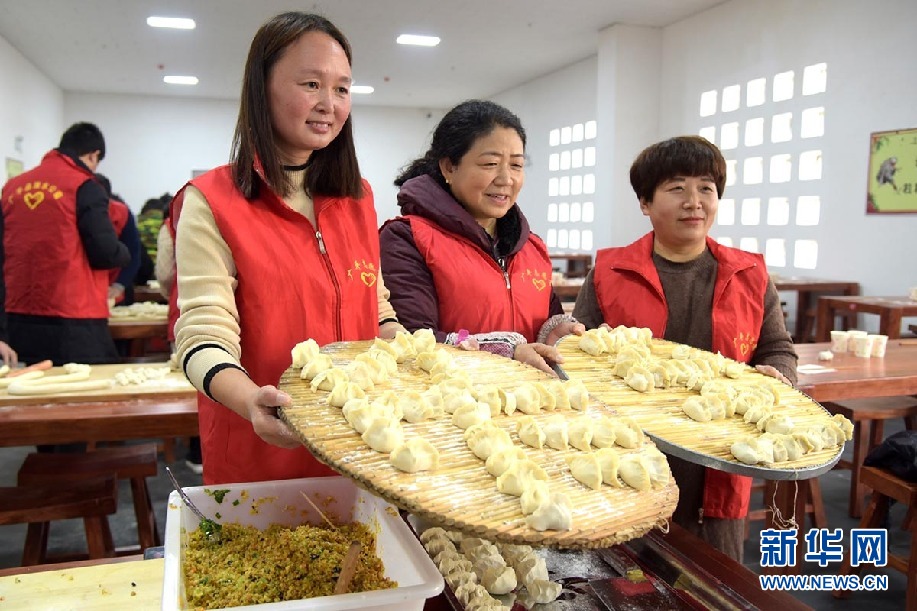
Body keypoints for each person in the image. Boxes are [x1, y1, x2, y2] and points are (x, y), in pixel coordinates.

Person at [173, 12, 403, 485]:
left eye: (342, 89)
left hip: (358, 449)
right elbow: (200, 335)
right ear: (262, 88)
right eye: (311, 84)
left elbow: (375, 311)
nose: (329, 104)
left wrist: (426, 357)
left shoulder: (357, 197)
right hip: (262, 452)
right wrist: (249, 400)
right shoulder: (212, 201)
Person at [573, 135, 798, 562]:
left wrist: (779, 378)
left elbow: (777, 348)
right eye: (677, 188)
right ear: (645, 201)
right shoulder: (609, 271)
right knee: (625, 573)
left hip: (721, 454)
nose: (694, 201)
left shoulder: (750, 274)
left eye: (706, 189)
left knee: (715, 574)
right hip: (628, 452)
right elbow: (577, 352)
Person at [379, 100, 583, 375]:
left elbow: (540, 328)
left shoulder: (531, 247)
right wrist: (503, 350)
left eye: (516, 165)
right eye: (490, 164)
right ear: (449, 167)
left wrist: (554, 333)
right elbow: (412, 340)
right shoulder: (407, 238)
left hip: (528, 408)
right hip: (452, 407)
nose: (506, 179)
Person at [1, 122, 130, 364]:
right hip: (73, 316)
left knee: (26, 391)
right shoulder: (85, 186)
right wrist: (124, 253)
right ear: (94, 155)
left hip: (16, 313)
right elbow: (104, 253)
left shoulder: (12, 187)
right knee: (85, 393)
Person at [96, 173, 142, 306]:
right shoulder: (74, 212)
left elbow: (133, 253)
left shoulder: (122, 213)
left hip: (117, 285)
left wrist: (119, 285)